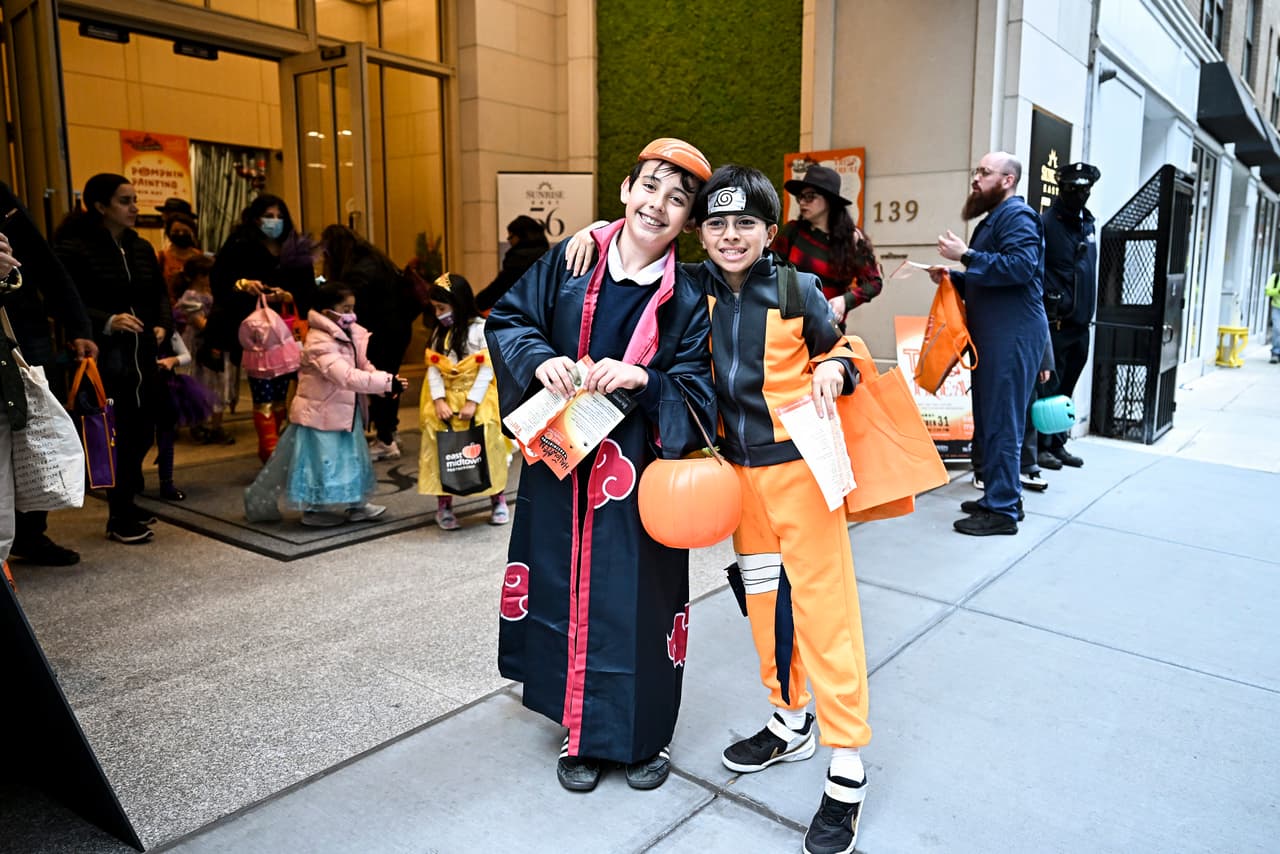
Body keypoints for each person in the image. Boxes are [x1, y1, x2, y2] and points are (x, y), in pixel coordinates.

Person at [567, 164, 873, 854]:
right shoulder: (693, 287)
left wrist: (835, 365)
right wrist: (599, 229)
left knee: (827, 613)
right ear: (702, 232)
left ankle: (848, 767)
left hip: (801, 476)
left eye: (745, 224)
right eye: (717, 223)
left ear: (771, 231)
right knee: (764, 603)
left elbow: (844, 344)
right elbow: (642, 251)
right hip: (739, 482)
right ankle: (789, 720)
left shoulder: (798, 288)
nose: (730, 235)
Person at [485, 137, 716, 793]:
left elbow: (699, 385)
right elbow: (507, 319)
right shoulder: (569, 262)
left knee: (639, 601)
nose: (658, 206)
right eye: (650, 188)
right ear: (624, 190)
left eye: (677, 200)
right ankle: (578, 734)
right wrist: (538, 358)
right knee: (566, 591)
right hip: (562, 469)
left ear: (687, 222)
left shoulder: (688, 295)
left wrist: (645, 377)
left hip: (639, 475)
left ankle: (645, 741)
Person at [932, 151, 1048, 536]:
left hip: (1012, 336)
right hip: (997, 335)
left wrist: (965, 255)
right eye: (976, 170)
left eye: (985, 172)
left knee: (1002, 422)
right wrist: (954, 275)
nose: (976, 178)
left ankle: (1001, 511)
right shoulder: (996, 219)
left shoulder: (1017, 215)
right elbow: (992, 279)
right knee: (992, 421)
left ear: (1008, 179)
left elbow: (1021, 267)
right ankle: (1002, 496)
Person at [54, 173, 173, 545]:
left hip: (143, 355)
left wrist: (161, 326)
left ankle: (127, 501)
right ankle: (119, 514)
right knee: (113, 435)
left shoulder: (139, 247)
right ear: (101, 206)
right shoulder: (75, 248)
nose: (134, 207)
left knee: (143, 432)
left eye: (135, 199)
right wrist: (106, 321)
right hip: (106, 357)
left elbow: (159, 295)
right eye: (125, 200)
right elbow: (60, 302)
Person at [243, 282, 405, 526]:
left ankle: (357, 504)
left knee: (352, 458)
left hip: (345, 411)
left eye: (353, 307)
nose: (351, 313)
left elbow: (362, 366)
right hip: (320, 414)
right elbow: (345, 375)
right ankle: (314, 509)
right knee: (321, 463)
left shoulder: (351, 333)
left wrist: (386, 384)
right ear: (327, 310)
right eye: (345, 308)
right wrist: (385, 383)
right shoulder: (319, 342)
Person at [0, 183, 98, 565]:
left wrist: (78, 327)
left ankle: (30, 531)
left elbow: (43, 264)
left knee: (33, 433)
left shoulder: (2, 200)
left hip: (19, 336)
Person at [209, 195, 317, 461]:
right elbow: (221, 283)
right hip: (257, 333)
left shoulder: (295, 248)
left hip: (289, 332)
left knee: (281, 392)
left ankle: (273, 445)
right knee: (263, 392)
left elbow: (308, 291)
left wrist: (288, 296)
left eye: (280, 216)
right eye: (269, 215)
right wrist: (244, 285)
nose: (275, 221)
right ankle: (269, 450)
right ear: (256, 217)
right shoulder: (239, 245)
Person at [416, 272, 510, 529]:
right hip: (447, 400)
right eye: (435, 308)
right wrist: (438, 400)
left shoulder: (481, 329)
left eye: (442, 308)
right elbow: (434, 368)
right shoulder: (439, 334)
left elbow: (487, 368)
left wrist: (472, 402)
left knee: (488, 447)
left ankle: (497, 499)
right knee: (442, 451)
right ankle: (444, 504)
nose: (438, 314)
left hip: (479, 402)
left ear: (458, 303)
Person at [319, 224, 420, 460]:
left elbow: (353, 307)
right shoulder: (375, 259)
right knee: (388, 381)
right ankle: (389, 433)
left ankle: (385, 439)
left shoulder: (358, 271)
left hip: (381, 333)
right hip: (397, 329)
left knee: (379, 383)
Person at [1031, 161, 1101, 468]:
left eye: (1084, 189)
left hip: (1082, 323)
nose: (1079, 194)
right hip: (1056, 323)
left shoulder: (1087, 223)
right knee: (1047, 389)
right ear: (1062, 188)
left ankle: (1059, 442)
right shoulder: (1047, 223)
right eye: (1074, 189)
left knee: (1067, 388)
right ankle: (1042, 447)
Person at [771, 163, 883, 326]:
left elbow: (874, 283)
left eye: (809, 196)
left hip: (826, 327)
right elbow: (769, 270)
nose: (802, 202)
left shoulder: (852, 240)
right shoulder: (792, 231)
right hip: (787, 322)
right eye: (800, 197)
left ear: (829, 200)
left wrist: (845, 301)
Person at [176, 255, 235, 444]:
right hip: (200, 347)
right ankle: (198, 424)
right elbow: (201, 323)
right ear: (200, 276)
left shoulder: (214, 294)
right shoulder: (189, 297)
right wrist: (223, 323)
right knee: (199, 385)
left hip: (217, 344)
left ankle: (217, 426)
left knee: (220, 383)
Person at [475, 215, 550, 313]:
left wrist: (475, 305)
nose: (509, 240)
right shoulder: (549, 254)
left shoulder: (518, 259)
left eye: (511, 236)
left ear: (521, 236)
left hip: (523, 312)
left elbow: (500, 287)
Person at [157, 211, 203, 302]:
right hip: (170, 309)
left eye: (185, 231)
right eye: (176, 231)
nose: (181, 234)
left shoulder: (201, 258)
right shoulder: (161, 257)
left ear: (193, 232)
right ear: (169, 233)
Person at [1267, 263, 1280, 365]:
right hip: (1277, 307)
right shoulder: (1275, 277)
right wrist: (1277, 291)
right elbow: (1267, 291)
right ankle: (1275, 352)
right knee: (1277, 329)